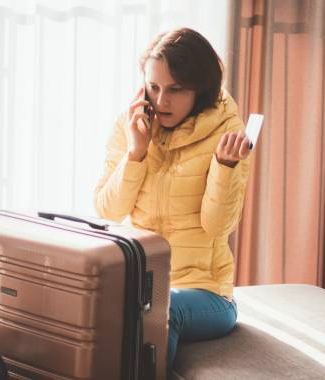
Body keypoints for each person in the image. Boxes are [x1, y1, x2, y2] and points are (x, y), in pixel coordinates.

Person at [93, 27, 251, 372]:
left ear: (201, 88)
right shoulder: (131, 123)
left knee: (163, 308)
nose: (161, 100)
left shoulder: (228, 133)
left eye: (175, 89)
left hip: (206, 294)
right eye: (153, 86)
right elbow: (108, 209)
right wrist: (135, 152)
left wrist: (225, 167)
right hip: (140, 286)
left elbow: (218, 225)